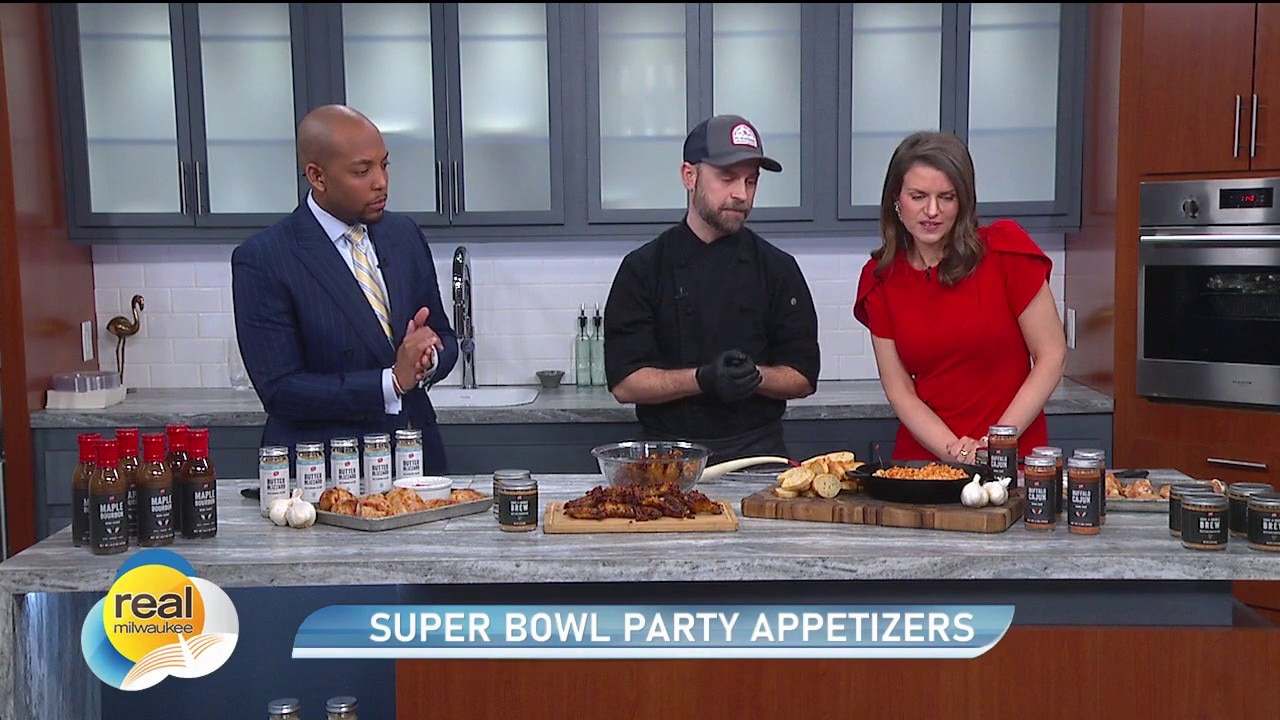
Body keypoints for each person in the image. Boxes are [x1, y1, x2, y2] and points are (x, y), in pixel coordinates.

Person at [232, 104, 459, 473]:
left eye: (384, 165)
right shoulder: (265, 258)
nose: (381, 181)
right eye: (362, 171)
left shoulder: (404, 235)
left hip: (416, 461)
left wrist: (426, 357)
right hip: (329, 471)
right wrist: (391, 382)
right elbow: (281, 390)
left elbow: (443, 335)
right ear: (317, 177)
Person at [603, 114, 820, 463]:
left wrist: (754, 376)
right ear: (689, 176)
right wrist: (702, 379)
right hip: (666, 461)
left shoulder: (778, 268)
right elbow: (625, 384)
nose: (741, 194)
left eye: (751, 181)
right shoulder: (643, 269)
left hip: (757, 456)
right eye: (727, 178)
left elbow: (803, 377)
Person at [853, 130, 1067, 464]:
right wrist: (957, 452)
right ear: (896, 199)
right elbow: (900, 391)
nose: (932, 210)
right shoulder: (880, 279)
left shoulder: (1006, 251)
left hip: (1011, 456)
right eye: (918, 196)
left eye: (947, 197)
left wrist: (994, 444)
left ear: (963, 201)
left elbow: (1052, 355)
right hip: (925, 463)